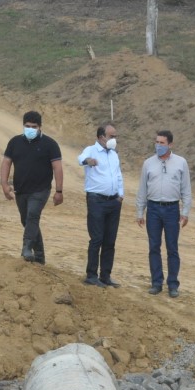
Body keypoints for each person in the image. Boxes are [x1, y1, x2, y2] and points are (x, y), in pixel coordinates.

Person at [0, 110, 63, 266]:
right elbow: (6, 163)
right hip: (21, 190)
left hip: (41, 190)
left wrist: (59, 191)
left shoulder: (50, 144)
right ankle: (40, 257)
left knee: (32, 216)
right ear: (23, 125)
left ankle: (26, 248)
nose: (30, 129)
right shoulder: (14, 142)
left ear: (40, 127)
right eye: (27, 126)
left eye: (34, 126)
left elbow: (58, 167)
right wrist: (4, 184)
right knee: (27, 221)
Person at [135, 130, 191, 297]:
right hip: (153, 209)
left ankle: (173, 285)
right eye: (157, 142)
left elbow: (186, 189)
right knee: (154, 247)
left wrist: (185, 211)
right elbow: (142, 189)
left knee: (172, 248)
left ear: (170, 145)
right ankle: (156, 283)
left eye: (162, 143)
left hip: (172, 209)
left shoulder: (181, 163)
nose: (158, 145)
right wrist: (140, 211)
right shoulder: (148, 163)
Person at [77, 123, 123, 288]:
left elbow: (118, 175)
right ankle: (91, 275)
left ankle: (105, 276)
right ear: (101, 137)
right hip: (96, 200)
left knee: (110, 240)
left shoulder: (114, 155)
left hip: (113, 201)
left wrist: (121, 195)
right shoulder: (91, 149)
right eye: (111, 136)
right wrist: (88, 161)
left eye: (115, 136)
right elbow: (80, 159)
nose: (114, 139)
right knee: (97, 238)